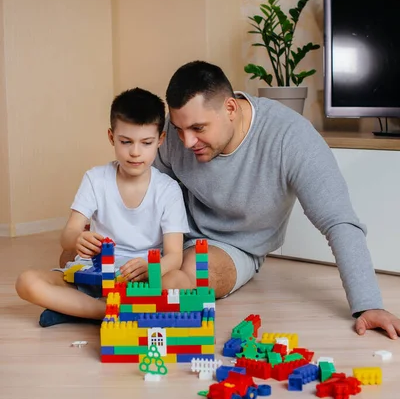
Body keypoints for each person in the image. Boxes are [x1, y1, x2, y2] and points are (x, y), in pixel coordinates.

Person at [154, 60, 400, 340]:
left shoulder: (290, 137)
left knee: (192, 272)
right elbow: (143, 187)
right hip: (170, 234)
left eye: (198, 128)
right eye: (178, 129)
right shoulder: (175, 134)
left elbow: (338, 220)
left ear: (230, 109)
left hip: (232, 246)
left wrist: (368, 304)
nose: (186, 141)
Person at [15, 88, 190, 327]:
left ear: (160, 140)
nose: (135, 152)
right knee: (27, 282)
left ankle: (77, 309)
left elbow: (174, 255)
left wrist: (152, 268)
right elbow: (67, 236)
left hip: (139, 280)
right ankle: (105, 310)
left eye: (146, 143)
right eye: (125, 142)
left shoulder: (168, 190)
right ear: (111, 137)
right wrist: (78, 238)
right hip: (94, 276)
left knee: (181, 282)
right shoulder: (96, 179)